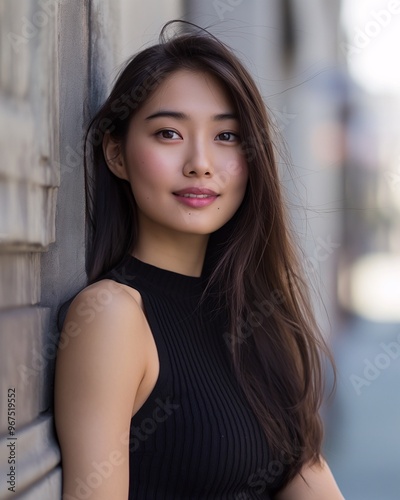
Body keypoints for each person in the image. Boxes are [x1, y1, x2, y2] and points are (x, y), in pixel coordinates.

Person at [54, 20, 344, 499]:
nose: (200, 162)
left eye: (227, 137)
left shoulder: (259, 319)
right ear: (116, 154)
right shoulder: (111, 317)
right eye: (168, 133)